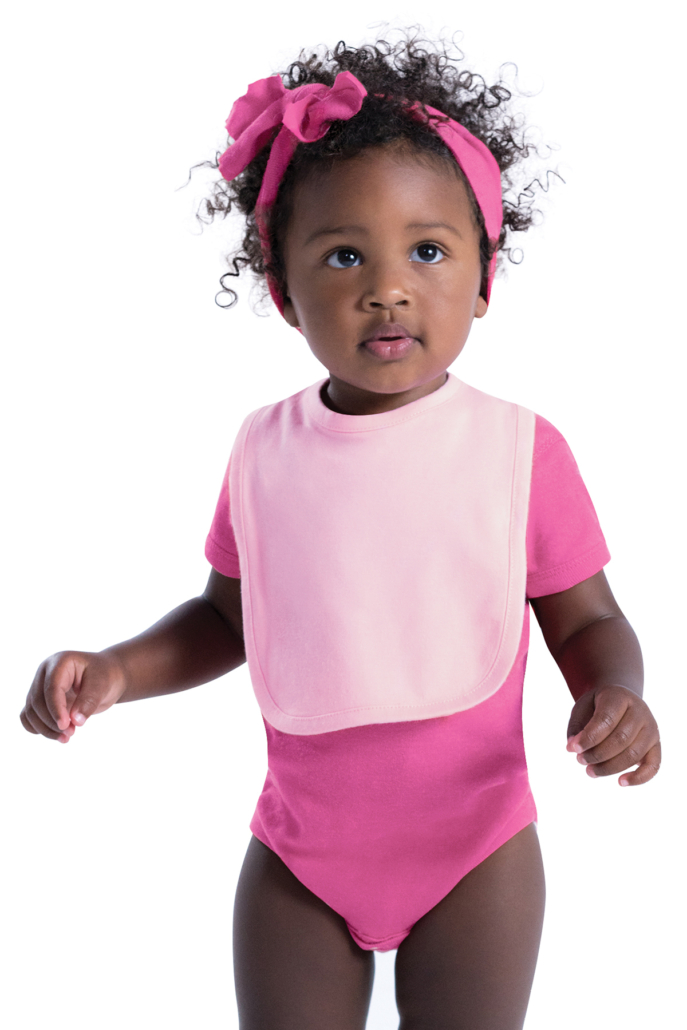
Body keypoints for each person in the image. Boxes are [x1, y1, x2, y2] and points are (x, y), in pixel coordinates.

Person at [20, 33, 661, 1030]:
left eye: (428, 250)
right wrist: (114, 670)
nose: (387, 286)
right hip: (297, 861)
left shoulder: (520, 451)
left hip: (477, 852)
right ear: (283, 290)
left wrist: (616, 693)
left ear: (484, 277)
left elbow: (586, 620)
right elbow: (225, 619)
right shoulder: (262, 450)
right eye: (345, 254)